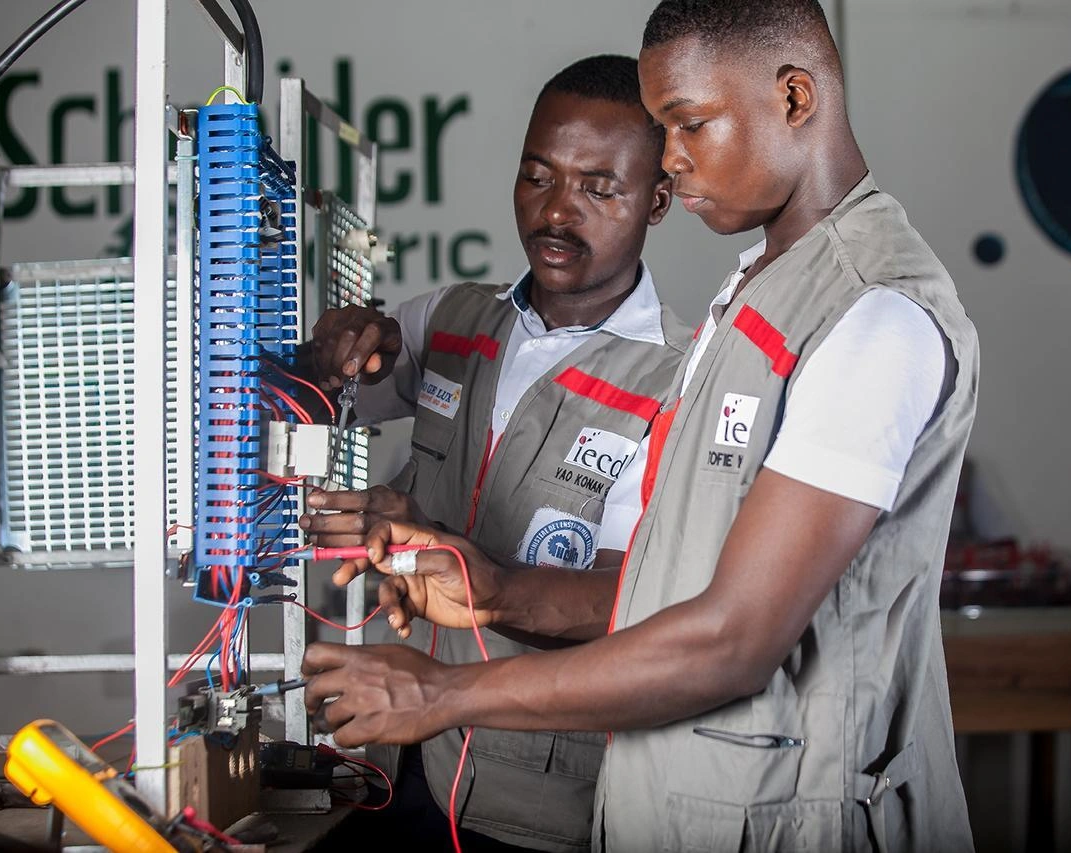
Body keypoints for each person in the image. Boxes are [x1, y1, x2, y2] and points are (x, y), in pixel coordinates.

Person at [303, 2, 979, 851]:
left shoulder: (871, 315)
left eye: (687, 124)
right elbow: (670, 586)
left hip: (794, 818)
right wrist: (497, 590)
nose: (673, 158)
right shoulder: (758, 298)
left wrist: (442, 692)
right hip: (673, 806)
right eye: (663, 130)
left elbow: (732, 638)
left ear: (796, 99)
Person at [301, 55, 691, 853]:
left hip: (535, 804)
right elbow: (329, 401)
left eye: (598, 188)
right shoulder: (450, 319)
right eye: (536, 176)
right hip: (385, 764)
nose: (556, 212)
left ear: (658, 199)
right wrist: (336, 347)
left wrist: (495, 585)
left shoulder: (678, 380)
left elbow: (645, 607)